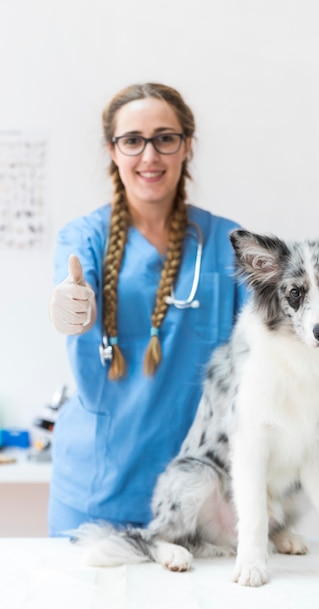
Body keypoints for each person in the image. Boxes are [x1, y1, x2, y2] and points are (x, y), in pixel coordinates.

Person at [47, 83, 249, 536]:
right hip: (93, 495)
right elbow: (71, 286)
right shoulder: (85, 239)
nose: (149, 155)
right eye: (132, 140)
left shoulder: (228, 243)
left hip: (197, 499)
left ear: (187, 146)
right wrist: (68, 305)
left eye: (165, 138)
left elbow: (271, 340)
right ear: (112, 151)